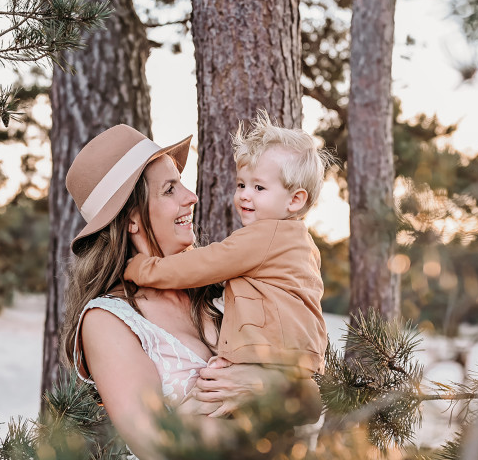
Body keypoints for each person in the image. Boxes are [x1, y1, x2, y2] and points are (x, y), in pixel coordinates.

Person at [60, 124, 321, 460]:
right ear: (133, 218)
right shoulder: (109, 320)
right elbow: (160, 447)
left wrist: (270, 387)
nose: (192, 196)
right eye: (170, 188)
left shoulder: (222, 297)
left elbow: (311, 399)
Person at [123, 112, 331, 386]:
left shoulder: (265, 237)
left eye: (259, 187)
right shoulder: (297, 242)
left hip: (275, 354)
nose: (245, 194)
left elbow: (204, 264)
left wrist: (143, 268)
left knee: (214, 388)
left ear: (294, 200)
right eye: (242, 184)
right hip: (295, 355)